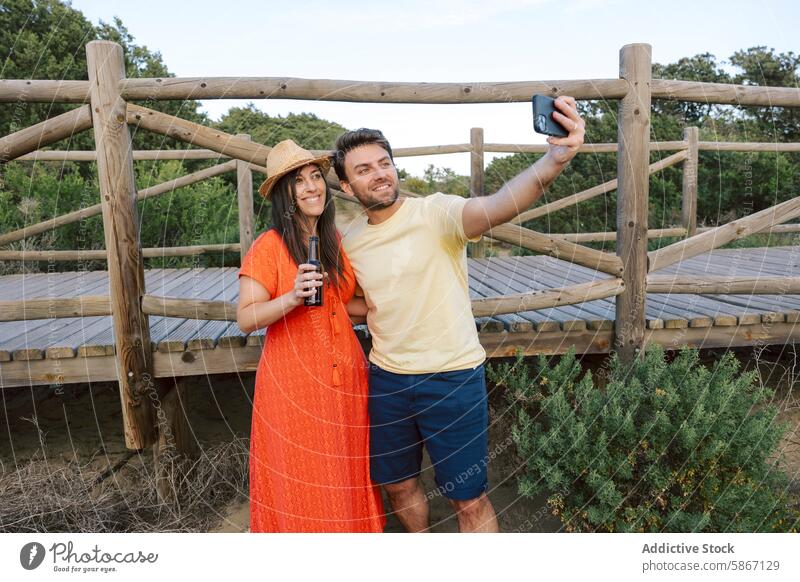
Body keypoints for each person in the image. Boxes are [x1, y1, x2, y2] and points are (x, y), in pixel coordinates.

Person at [333, 96, 585, 533]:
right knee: (397, 486)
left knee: (467, 499)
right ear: (346, 187)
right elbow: (357, 300)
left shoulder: (436, 213)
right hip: (387, 379)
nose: (379, 174)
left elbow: (503, 202)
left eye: (383, 163)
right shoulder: (350, 238)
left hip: (452, 377)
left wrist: (553, 160)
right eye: (364, 169)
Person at [236, 139, 385, 533]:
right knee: (306, 476)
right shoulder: (267, 247)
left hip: (347, 376)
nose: (311, 187)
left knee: (346, 468)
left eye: (315, 176)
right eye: (298, 181)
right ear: (285, 195)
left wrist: (386, 307)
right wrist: (292, 296)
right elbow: (246, 318)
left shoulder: (333, 241)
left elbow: (339, 303)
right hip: (295, 383)